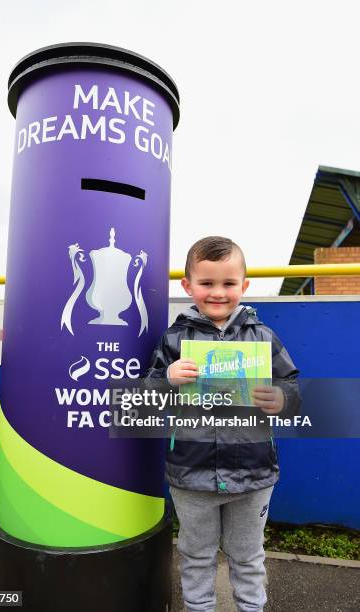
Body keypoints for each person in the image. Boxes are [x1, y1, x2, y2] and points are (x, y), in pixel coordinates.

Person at [146, 236, 300, 612]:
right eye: (207, 283)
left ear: (244, 286)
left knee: (248, 558)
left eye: (229, 283)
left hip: (253, 473)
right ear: (188, 286)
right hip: (191, 473)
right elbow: (146, 397)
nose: (218, 293)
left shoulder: (262, 336)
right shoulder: (174, 339)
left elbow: (292, 388)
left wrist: (280, 398)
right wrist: (168, 378)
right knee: (196, 557)